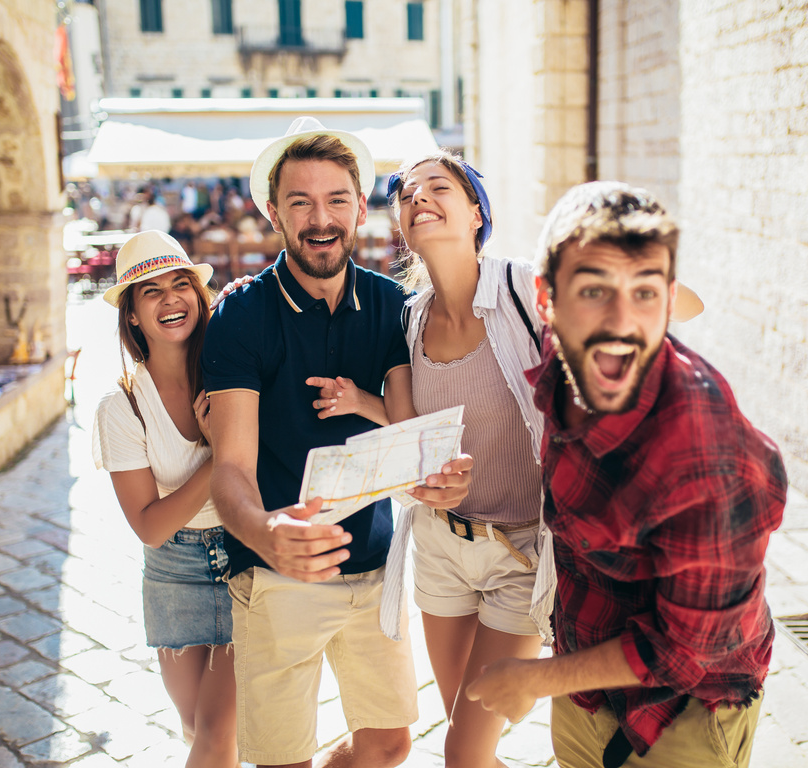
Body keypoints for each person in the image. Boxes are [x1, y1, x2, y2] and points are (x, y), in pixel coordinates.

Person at [465, 182, 786, 768]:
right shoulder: (566, 361)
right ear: (547, 301)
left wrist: (535, 679)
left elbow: (685, 649)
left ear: (667, 302)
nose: (620, 322)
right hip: (587, 690)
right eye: (594, 291)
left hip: (684, 713)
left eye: (644, 294)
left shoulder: (703, 455)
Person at [201, 117, 473, 768]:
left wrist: (436, 478)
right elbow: (230, 469)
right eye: (300, 202)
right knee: (282, 760)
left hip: (375, 569)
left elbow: (407, 434)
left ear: (358, 207)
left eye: (336, 200)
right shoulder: (242, 314)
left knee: (389, 743)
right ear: (273, 212)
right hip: (275, 571)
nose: (320, 219)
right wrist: (267, 533)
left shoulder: (390, 304)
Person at [383, 151, 548, 768]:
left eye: (438, 186)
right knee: (467, 744)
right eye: (406, 193)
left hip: (520, 552)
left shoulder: (526, 289)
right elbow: (415, 430)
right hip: (440, 551)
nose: (418, 196)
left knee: (462, 751)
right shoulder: (406, 320)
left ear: (476, 212)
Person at [91, 230, 239, 768]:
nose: (170, 298)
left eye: (181, 284)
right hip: (175, 570)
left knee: (220, 734)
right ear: (131, 315)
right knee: (199, 729)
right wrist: (219, 452)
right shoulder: (122, 406)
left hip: (248, 556)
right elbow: (151, 527)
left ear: (200, 297)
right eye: (150, 291)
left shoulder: (232, 368)